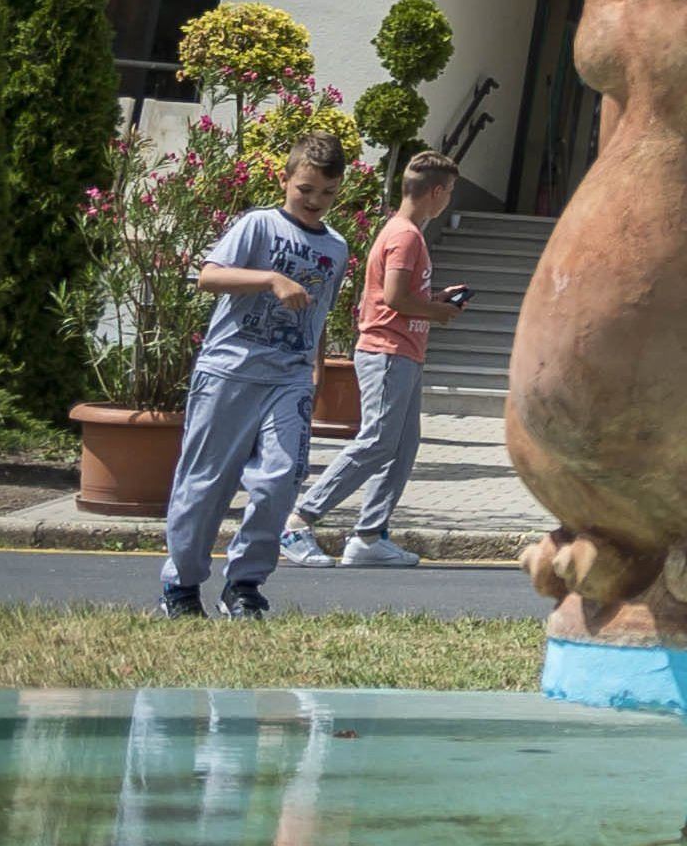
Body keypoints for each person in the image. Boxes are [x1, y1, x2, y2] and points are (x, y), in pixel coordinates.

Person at [161, 132, 355, 620]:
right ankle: (182, 586)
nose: (314, 202)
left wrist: (315, 370)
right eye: (305, 190)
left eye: (327, 194)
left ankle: (244, 584)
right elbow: (208, 276)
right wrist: (270, 278)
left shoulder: (335, 247)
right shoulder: (258, 226)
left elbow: (320, 311)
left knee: (279, 480)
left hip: (288, 380)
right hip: (229, 373)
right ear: (285, 179)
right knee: (204, 484)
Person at [288, 148, 468, 569]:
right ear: (437, 192)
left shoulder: (405, 233)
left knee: (402, 446)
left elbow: (404, 296)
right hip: (388, 351)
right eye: (451, 192)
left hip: (404, 351)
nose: (449, 200)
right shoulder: (405, 235)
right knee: (377, 441)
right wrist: (437, 311)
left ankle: (369, 535)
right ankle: (298, 519)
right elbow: (394, 298)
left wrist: (436, 299)